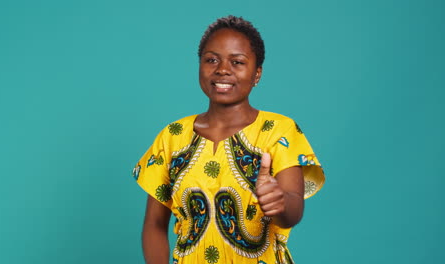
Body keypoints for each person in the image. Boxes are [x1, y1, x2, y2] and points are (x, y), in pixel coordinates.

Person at [132, 15, 325, 264]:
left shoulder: (280, 131)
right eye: (211, 60)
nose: (222, 69)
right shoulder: (172, 136)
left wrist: (280, 202)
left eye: (237, 62)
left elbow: (293, 212)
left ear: (257, 73)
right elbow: (154, 224)